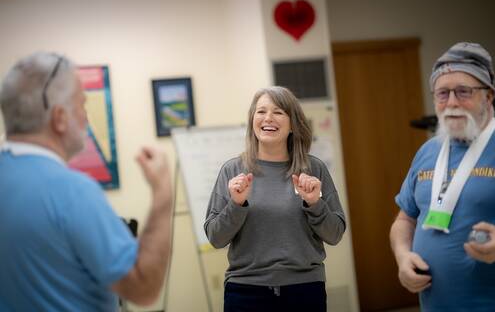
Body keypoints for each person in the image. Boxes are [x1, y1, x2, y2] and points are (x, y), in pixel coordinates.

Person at [0, 52, 173, 311]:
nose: (86, 117)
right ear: (59, 118)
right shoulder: (71, 191)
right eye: (81, 105)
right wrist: (163, 193)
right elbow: (143, 287)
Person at [204, 86, 346, 312]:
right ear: (252, 120)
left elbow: (335, 234)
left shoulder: (313, 169)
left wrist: (315, 204)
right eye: (261, 112)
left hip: (305, 290)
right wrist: (236, 205)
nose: (268, 118)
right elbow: (216, 238)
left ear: (293, 124)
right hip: (245, 293)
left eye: (278, 112)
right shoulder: (232, 170)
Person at [390, 42, 495, 311]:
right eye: (442, 93)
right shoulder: (428, 150)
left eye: (463, 92)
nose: (451, 102)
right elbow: (404, 219)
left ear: (489, 95)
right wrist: (403, 257)